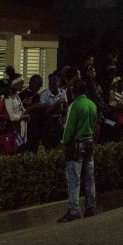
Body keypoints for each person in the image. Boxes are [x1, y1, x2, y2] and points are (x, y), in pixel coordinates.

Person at [59, 78, 97, 222]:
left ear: (73, 91)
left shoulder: (74, 106)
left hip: (76, 145)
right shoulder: (92, 104)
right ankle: (91, 206)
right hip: (89, 142)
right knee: (89, 177)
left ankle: (74, 210)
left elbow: (69, 129)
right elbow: (93, 124)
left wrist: (64, 141)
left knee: (74, 178)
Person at [39, 73, 68, 150]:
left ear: (59, 83)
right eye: (50, 83)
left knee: (58, 146)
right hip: (48, 123)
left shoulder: (63, 92)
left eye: (54, 84)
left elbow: (66, 108)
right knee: (48, 147)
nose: (52, 86)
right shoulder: (44, 94)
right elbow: (45, 112)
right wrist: (58, 103)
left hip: (58, 122)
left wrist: (52, 107)